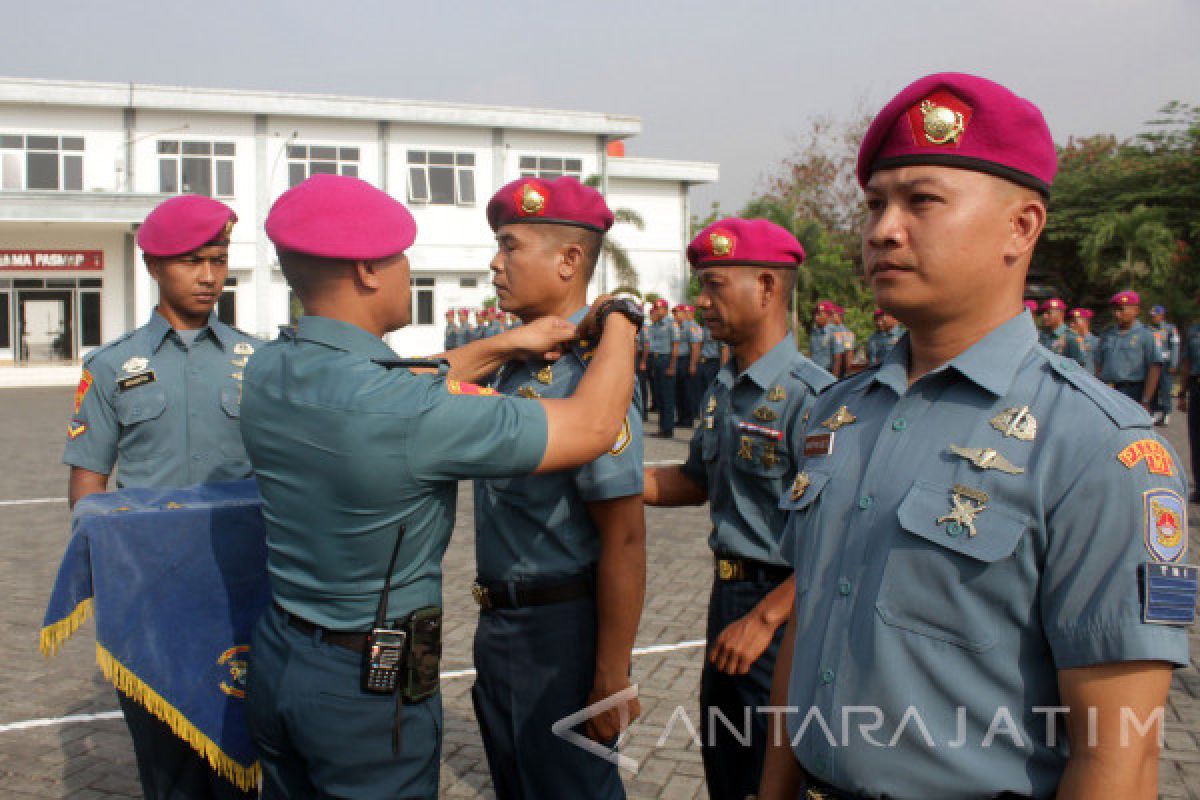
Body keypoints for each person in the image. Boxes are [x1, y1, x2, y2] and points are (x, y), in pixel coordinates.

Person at [758, 72, 1192, 800]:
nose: (882, 229)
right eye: (875, 204)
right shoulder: (839, 412)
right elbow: (809, 622)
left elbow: (1118, 759)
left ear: (1021, 226)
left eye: (921, 201)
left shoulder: (1099, 447)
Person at [240, 174, 640, 800]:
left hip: (281, 658)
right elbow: (590, 425)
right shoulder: (403, 409)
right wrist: (621, 319)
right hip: (369, 693)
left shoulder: (269, 368)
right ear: (370, 270)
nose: (493, 262)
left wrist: (507, 341)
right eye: (403, 258)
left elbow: (397, 385)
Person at [63, 194, 261, 800]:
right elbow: (88, 483)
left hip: (244, 590)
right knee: (166, 769)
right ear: (154, 266)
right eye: (192, 261)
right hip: (153, 597)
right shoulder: (112, 366)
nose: (209, 276)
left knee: (247, 759)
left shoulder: (263, 361)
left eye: (219, 259)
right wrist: (107, 580)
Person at [645, 217, 834, 800]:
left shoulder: (815, 397)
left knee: (773, 775)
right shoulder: (725, 384)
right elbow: (694, 481)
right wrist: (608, 479)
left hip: (783, 611)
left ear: (768, 288)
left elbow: (842, 536)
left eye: (715, 286)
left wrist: (766, 618)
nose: (701, 303)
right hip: (728, 596)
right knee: (725, 759)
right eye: (700, 286)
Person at [470, 175, 645, 800]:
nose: (495, 263)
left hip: (560, 639)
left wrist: (610, 674)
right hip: (499, 628)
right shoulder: (511, 367)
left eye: (510, 245)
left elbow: (624, 537)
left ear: (569, 260)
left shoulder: (595, 374)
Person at [1096, 290, 1163, 410]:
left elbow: (1154, 368)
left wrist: (1146, 399)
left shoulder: (1146, 335)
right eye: (1115, 310)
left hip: (1132, 392)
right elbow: (1098, 366)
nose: (1117, 314)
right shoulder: (1107, 334)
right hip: (1106, 391)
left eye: (1121, 309)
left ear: (1136, 311)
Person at [640, 297, 679, 436]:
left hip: (666, 359)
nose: (656, 311)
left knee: (667, 396)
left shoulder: (671, 324)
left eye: (659, 308)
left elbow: (675, 347)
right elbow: (648, 343)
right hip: (655, 360)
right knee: (659, 396)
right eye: (655, 308)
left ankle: (668, 428)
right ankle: (662, 427)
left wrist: (672, 366)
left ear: (665, 310)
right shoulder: (654, 325)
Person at [1179, 305, 1200, 500]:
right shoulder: (1194, 331)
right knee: (1196, 438)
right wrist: (1182, 393)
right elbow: (1186, 363)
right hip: (1196, 387)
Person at [1148, 304, 1180, 426]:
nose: (1153, 318)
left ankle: (1166, 413)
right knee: (1153, 388)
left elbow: (1175, 346)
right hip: (1152, 363)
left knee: (1165, 389)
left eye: (1155, 316)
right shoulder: (1148, 329)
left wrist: (1174, 363)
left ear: (1161, 316)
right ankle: (1154, 412)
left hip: (1166, 363)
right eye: (1152, 316)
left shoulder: (1170, 329)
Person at [808, 301, 839, 374]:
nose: (816, 317)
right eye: (815, 314)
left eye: (819, 314)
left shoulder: (834, 332)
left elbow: (837, 359)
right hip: (813, 373)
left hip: (827, 373)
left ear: (828, 315)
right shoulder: (814, 332)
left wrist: (834, 382)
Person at [1067, 307, 1097, 372]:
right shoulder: (1069, 342)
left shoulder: (1096, 342)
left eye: (1075, 322)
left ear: (1086, 322)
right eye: (1070, 322)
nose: (1071, 325)